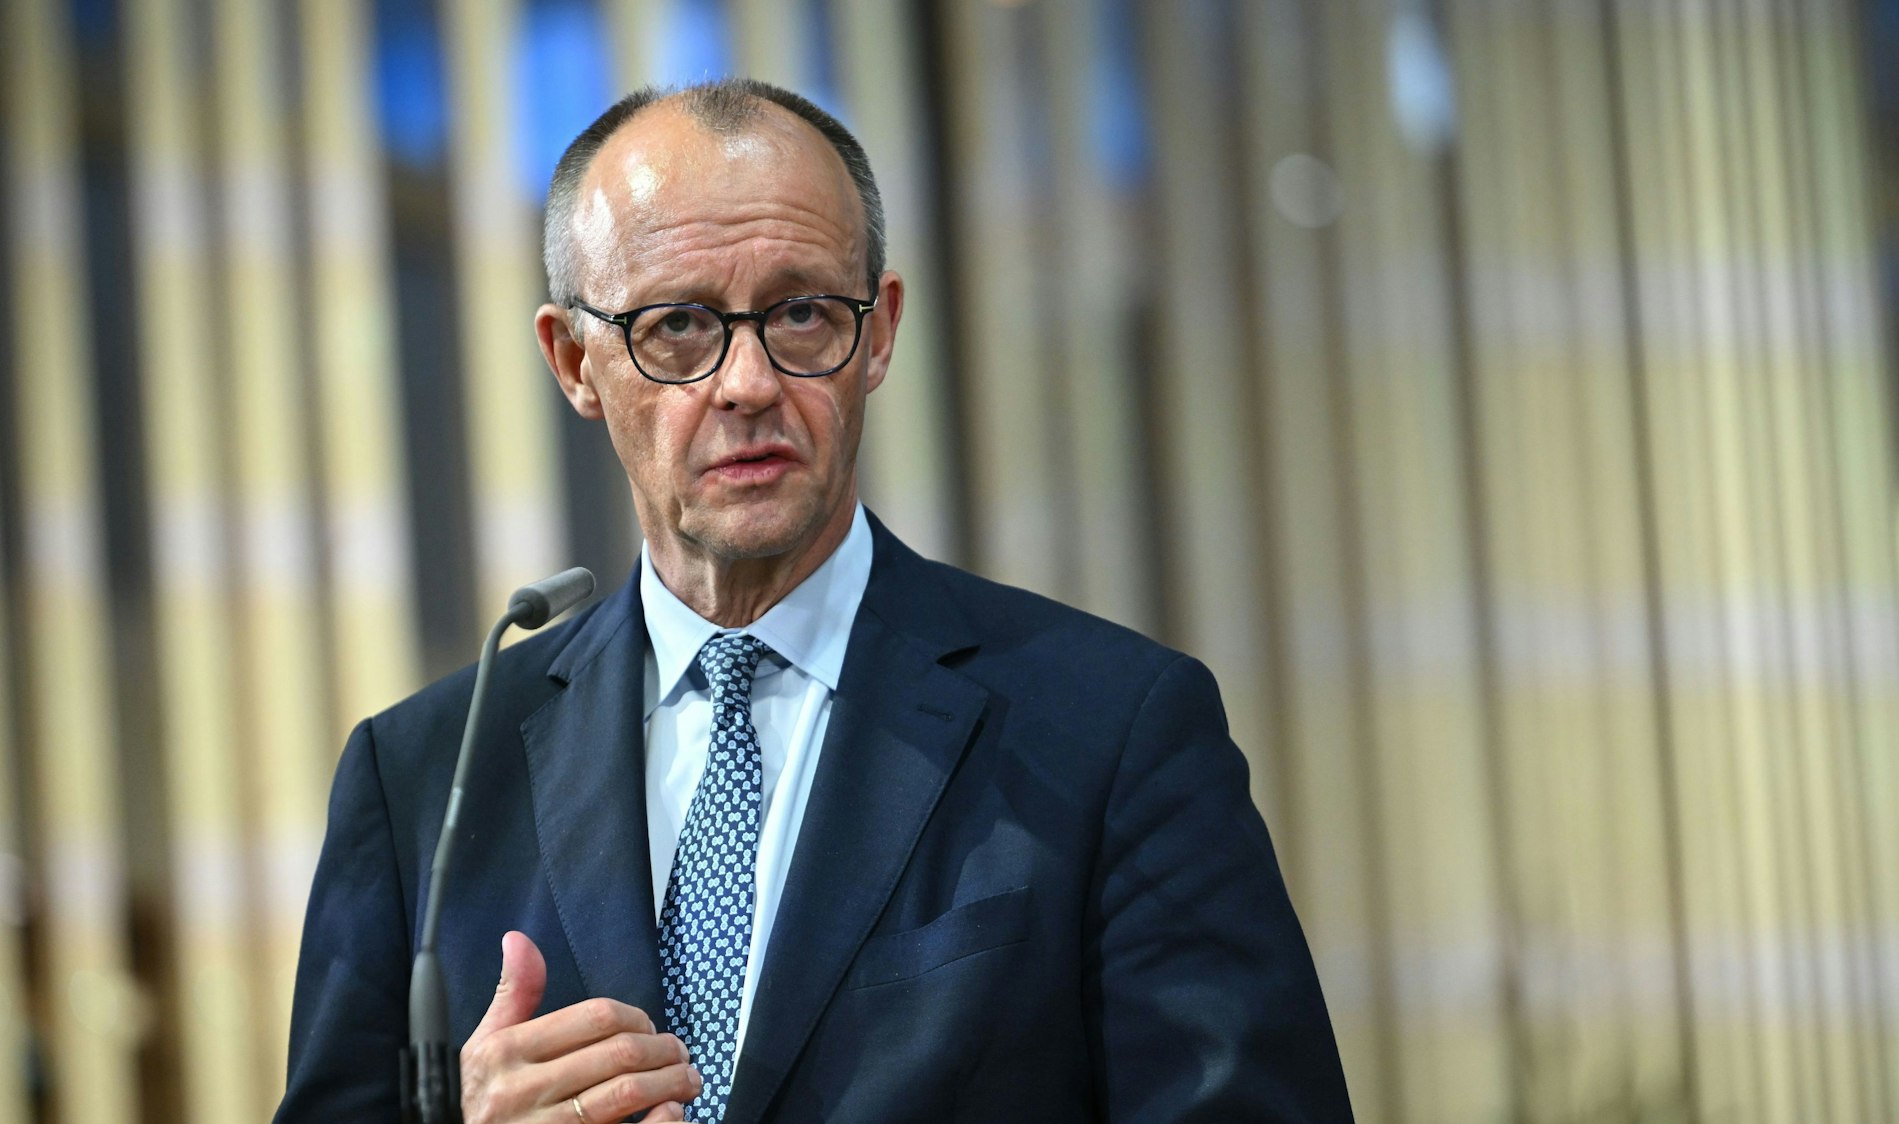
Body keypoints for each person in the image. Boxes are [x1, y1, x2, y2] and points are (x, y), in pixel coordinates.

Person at [276, 78, 1351, 1124]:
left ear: (877, 334)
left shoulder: (1112, 731)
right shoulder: (423, 781)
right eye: (678, 326)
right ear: (574, 360)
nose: (746, 382)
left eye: (798, 312)